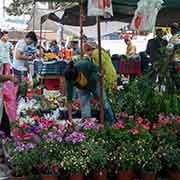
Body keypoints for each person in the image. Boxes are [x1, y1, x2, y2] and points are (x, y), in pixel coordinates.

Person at [64, 60, 115, 126]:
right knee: (84, 106)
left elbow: (99, 69)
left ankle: (112, 123)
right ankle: (88, 126)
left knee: (104, 104)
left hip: (95, 83)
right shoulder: (69, 80)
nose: (74, 83)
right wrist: (70, 117)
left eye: (75, 80)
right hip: (82, 88)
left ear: (79, 73)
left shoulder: (84, 65)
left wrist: (101, 73)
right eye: (73, 82)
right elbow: (69, 99)